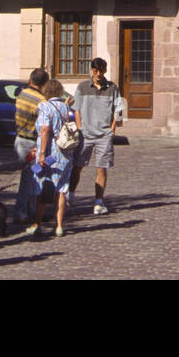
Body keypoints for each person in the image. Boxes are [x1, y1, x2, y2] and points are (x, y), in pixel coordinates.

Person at [70, 58, 121, 215]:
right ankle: (70, 195)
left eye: (100, 71)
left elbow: (118, 110)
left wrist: (112, 129)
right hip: (85, 134)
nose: (98, 74)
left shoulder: (112, 88)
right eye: (95, 71)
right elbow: (76, 109)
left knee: (102, 168)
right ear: (91, 70)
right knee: (77, 166)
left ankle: (99, 201)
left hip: (104, 135)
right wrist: (79, 128)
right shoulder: (82, 87)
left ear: (105, 71)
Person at [28, 79, 75, 237]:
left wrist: (41, 152)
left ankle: (37, 223)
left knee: (42, 184)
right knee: (62, 189)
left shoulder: (45, 106)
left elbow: (45, 129)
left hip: (50, 155)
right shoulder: (66, 107)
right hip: (65, 154)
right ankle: (59, 225)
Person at [12, 68, 48, 224]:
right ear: (43, 83)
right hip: (32, 144)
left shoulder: (22, 94)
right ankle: (23, 210)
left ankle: (29, 208)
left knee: (30, 176)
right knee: (31, 177)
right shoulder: (41, 101)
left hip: (19, 140)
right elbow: (43, 126)